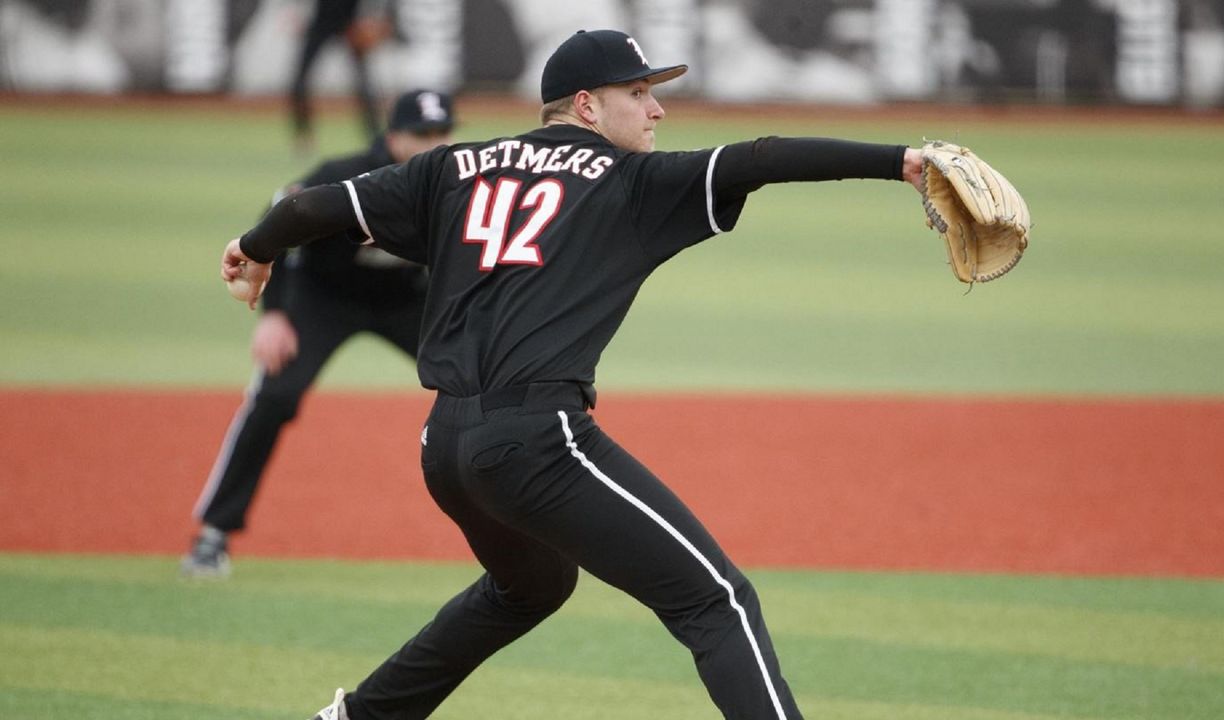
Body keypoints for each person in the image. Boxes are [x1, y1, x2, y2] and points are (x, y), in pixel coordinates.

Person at [221, 29, 925, 720]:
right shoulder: (633, 181)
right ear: (586, 106)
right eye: (640, 92)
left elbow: (313, 206)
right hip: (538, 441)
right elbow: (763, 157)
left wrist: (253, 248)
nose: (657, 110)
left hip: (446, 448)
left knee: (531, 587)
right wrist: (903, 161)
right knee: (716, 599)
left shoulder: (451, 168)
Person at [182, 89, 457, 579]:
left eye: (441, 134)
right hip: (323, 298)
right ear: (392, 136)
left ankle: (525, 524)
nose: (431, 144)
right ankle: (213, 534)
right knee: (276, 395)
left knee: (484, 377)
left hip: (407, 300)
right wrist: (275, 313)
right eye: (421, 134)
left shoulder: (453, 179)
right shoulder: (345, 172)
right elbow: (280, 215)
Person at [290, 0, 392, 154]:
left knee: (364, 85)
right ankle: (303, 135)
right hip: (321, 21)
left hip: (351, 24)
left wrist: (371, 20)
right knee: (299, 81)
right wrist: (295, 13)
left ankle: (375, 137)